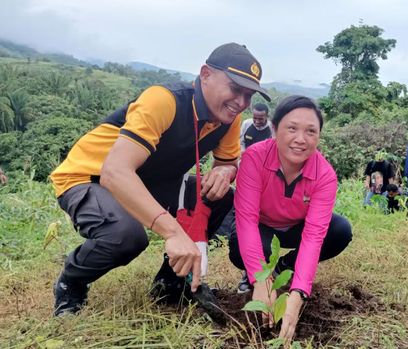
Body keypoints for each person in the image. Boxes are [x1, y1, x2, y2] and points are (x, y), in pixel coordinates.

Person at [48, 43, 270, 316]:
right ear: (205, 74)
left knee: (220, 196)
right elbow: (115, 172)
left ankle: (171, 281)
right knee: (126, 236)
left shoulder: (229, 118)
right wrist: (173, 231)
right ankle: (71, 282)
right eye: (235, 89)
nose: (241, 102)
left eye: (248, 95)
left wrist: (224, 172)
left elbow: (227, 162)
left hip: (152, 180)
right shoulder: (164, 100)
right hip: (91, 176)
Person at [228, 95, 352, 344]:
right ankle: (259, 275)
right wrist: (260, 279)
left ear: (319, 135)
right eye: (292, 128)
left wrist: (298, 292)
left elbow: (314, 235)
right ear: (275, 129)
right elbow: (247, 220)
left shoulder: (324, 175)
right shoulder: (254, 158)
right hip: (262, 226)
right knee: (240, 248)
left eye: (310, 131)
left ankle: (284, 269)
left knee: (339, 230)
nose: (300, 139)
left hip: (296, 226)